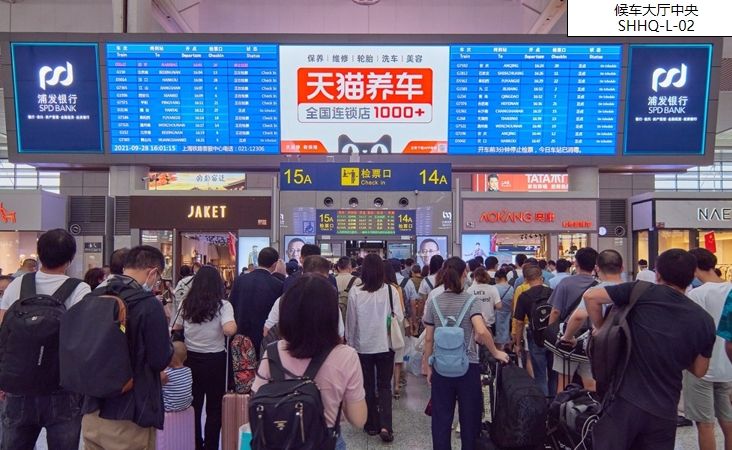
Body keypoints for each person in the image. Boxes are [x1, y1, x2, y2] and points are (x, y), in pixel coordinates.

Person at [585, 249, 716, 450]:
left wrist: (601, 327)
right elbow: (699, 370)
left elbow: (591, 297)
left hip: (623, 400)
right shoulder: (704, 320)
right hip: (665, 408)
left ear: (658, 274)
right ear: (692, 277)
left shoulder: (640, 291)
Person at [0, 229, 92, 450]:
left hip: (18, 386)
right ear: (70, 259)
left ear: (39, 254)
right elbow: (83, 338)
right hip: (62, 388)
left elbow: (3, 332)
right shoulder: (80, 290)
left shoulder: (17, 285)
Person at [254, 275, 368, 450]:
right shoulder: (346, 356)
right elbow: (359, 419)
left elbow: (256, 401)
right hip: (327, 441)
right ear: (331, 315)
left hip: (280, 440)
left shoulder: (273, 351)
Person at [81, 245, 173, 450]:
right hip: (130, 413)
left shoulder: (93, 296)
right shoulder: (148, 305)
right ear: (152, 272)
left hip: (91, 409)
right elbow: (159, 359)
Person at [422, 257, 509, 450]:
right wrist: (496, 352)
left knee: (441, 419)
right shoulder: (471, 301)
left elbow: (428, 338)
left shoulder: (434, 302)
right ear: (464, 275)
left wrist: (428, 366)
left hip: (441, 368)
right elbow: (481, 330)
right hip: (468, 366)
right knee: (470, 419)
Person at [172, 265, 236, 450]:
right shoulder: (223, 305)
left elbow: (176, 327)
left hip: (190, 360)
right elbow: (229, 329)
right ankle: (211, 445)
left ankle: (196, 444)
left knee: (195, 405)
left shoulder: (186, 304)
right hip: (215, 361)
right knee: (215, 408)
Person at [346, 253, 403, 443]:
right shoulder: (391, 291)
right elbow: (399, 317)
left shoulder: (356, 291)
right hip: (386, 345)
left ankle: (371, 424)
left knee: (367, 386)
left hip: (363, 346)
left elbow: (351, 321)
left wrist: (351, 344)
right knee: (385, 386)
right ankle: (386, 426)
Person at [683, 248, 732, 450]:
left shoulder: (696, 294)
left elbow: (690, 332)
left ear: (693, 268)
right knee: (729, 422)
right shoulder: (730, 289)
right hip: (728, 367)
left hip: (701, 367)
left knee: (705, 424)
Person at [558, 250, 624, 392]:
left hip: (601, 346)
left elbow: (578, 316)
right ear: (622, 268)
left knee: (592, 385)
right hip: (625, 347)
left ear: (597, 268)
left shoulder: (595, 292)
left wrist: (567, 337)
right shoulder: (632, 290)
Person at [264, 256, 345, 339]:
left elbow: (267, 331)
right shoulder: (331, 303)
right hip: (323, 347)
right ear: (327, 278)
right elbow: (339, 337)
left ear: (302, 275)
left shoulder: (284, 300)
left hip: (288, 346)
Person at [229, 247, 283, 359]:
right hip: (264, 337)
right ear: (274, 264)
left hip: (240, 335)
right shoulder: (277, 284)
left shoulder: (240, 280)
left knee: (241, 368)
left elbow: (231, 305)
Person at [512, 265, 555, 397]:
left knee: (540, 374)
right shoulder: (552, 292)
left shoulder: (524, 296)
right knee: (554, 373)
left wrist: (518, 343)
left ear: (525, 279)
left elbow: (519, 322)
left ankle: (543, 402)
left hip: (535, 336)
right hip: (553, 335)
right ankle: (554, 402)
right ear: (541, 277)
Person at [384, 261, 408, 400]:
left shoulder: (378, 288)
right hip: (396, 324)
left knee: (386, 354)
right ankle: (397, 386)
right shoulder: (397, 288)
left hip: (384, 326)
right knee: (398, 355)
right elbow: (402, 310)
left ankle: (385, 383)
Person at [467, 267, 502, 334]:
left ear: (475, 277)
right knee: (490, 339)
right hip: (490, 322)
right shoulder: (493, 288)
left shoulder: (470, 290)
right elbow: (499, 306)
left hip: (475, 322)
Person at [162, 341, 193, 413]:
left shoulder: (167, 373)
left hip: (168, 407)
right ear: (185, 357)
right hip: (186, 406)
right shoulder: (188, 371)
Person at [493, 269, 514, 349]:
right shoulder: (511, 288)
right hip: (508, 314)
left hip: (496, 315)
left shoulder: (494, 288)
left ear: (497, 278)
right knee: (507, 333)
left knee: (497, 336)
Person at [335, 257, 359, 322]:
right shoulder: (357, 280)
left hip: (336, 315)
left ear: (338, 268)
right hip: (351, 316)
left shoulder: (333, 279)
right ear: (350, 267)